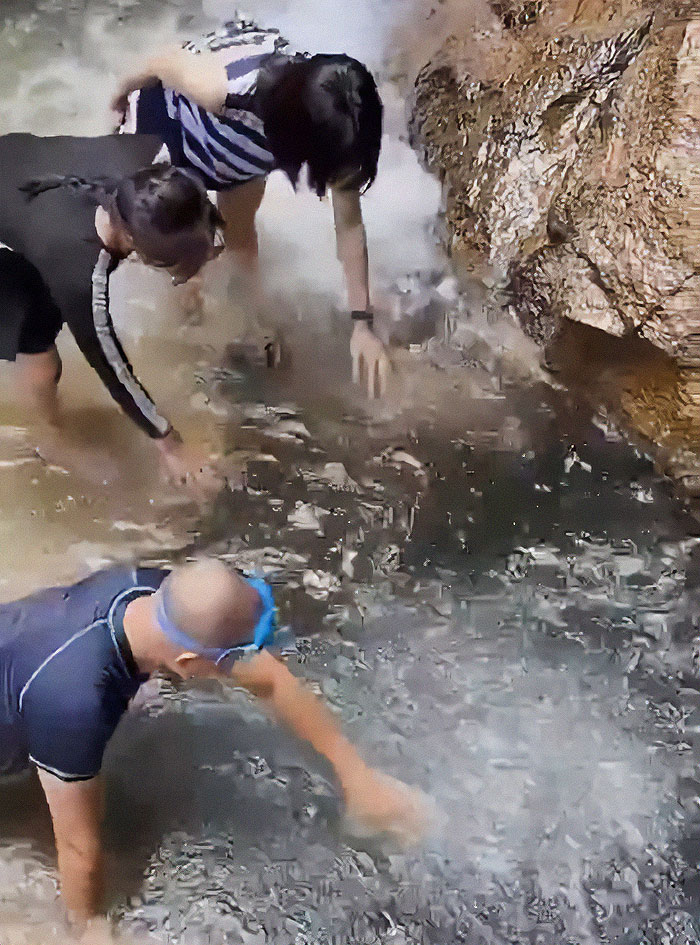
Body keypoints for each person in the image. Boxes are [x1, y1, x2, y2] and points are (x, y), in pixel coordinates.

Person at [0, 558, 427, 930]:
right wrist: (87, 925)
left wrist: (357, 780)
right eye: (231, 659)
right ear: (188, 663)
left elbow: (271, 682)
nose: (243, 666)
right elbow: (78, 848)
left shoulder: (147, 589)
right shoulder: (74, 704)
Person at [111, 15, 391, 397]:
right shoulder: (228, 89)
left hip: (235, 155)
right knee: (170, 251)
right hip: (166, 133)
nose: (332, 177)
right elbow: (164, 59)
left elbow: (350, 225)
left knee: (239, 241)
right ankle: (170, 352)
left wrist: (363, 325)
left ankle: (253, 325)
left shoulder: (339, 117)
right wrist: (115, 100)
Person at [0, 132, 226, 489]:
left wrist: (192, 273)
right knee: (41, 352)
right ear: (134, 245)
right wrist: (168, 443)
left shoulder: (148, 160)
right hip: (19, 229)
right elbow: (112, 367)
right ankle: (49, 438)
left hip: (15, 164)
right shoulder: (79, 274)